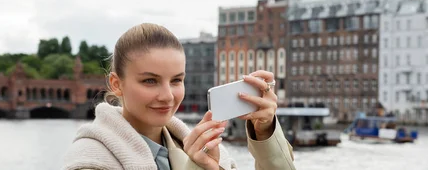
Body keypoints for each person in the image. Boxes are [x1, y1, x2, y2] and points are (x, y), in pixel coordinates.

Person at [63, 23, 296, 170]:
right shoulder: (90, 160)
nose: (167, 96)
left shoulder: (210, 152)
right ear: (117, 84)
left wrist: (265, 132)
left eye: (176, 80)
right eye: (150, 81)